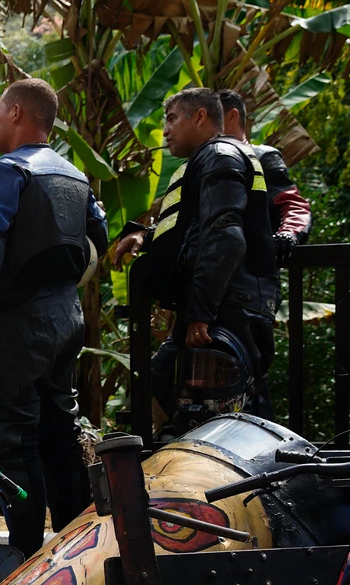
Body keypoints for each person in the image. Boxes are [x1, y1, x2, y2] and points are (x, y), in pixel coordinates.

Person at [0, 78, 110, 556]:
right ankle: (79, 550)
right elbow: (97, 239)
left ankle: (26, 558)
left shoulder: (8, 170)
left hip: (16, 326)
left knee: (16, 442)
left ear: (17, 113)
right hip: (66, 320)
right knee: (61, 432)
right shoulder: (76, 176)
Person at [112, 88, 278, 430]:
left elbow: (225, 238)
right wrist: (145, 235)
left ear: (200, 117)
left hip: (226, 307)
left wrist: (200, 313)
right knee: (185, 396)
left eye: (172, 119)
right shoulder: (213, 159)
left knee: (226, 417)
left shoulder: (219, 156)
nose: (166, 131)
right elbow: (194, 227)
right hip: (226, 304)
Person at [216, 89, 313, 265]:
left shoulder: (261, 157)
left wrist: (288, 234)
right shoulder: (199, 165)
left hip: (251, 273)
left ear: (232, 117)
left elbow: (293, 205)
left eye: (213, 117)